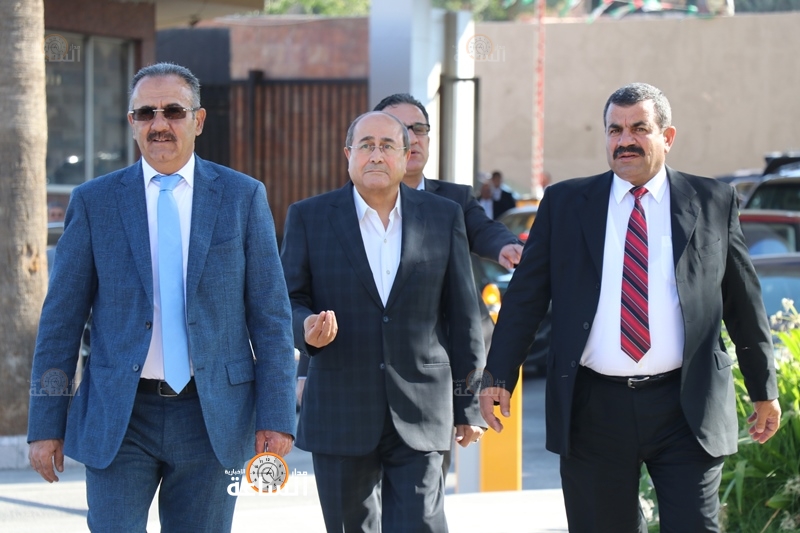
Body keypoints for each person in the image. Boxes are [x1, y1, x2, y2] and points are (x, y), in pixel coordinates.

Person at [480, 82, 781, 532]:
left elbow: (742, 302)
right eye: (614, 130)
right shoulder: (565, 203)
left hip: (686, 405)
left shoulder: (712, 201)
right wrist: (499, 375)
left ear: (667, 136)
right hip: (592, 409)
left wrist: (763, 388)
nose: (625, 141)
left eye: (639, 128)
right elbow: (526, 297)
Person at [27, 63, 296, 532]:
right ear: (132, 122)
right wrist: (46, 423)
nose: (159, 124)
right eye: (145, 113)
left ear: (199, 120)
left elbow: (271, 317)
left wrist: (276, 415)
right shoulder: (94, 202)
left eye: (173, 111)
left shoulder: (242, 197)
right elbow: (60, 321)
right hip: (121, 414)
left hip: (212, 416)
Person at [281, 111, 485, 532]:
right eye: (366, 145)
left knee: (421, 524)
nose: (376, 155)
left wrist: (467, 404)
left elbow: (464, 315)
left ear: (407, 156)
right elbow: (286, 301)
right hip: (341, 409)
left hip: (422, 409)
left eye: (387, 146)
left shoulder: (442, 216)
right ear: (348, 155)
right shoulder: (309, 216)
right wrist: (306, 328)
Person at [295, 93, 524, 403]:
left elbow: (483, 229)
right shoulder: (331, 213)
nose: (412, 138)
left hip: (438, 370)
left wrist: (506, 246)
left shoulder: (451, 202)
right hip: (357, 377)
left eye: (419, 129)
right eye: (401, 130)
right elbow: (310, 295)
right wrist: (306, 369)